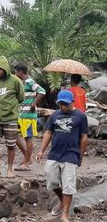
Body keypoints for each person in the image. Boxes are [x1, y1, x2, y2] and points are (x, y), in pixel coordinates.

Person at [36, 90, 88, 222]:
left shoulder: (81, 116)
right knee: (52, 181)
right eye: (61, 104)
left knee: (68, 185)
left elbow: (84, 137)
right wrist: (41, 150)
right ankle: (61, 200)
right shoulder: (55, 115)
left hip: (71, 154)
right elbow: (48, 133)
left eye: (65, 104)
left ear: (72, 102)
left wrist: (80, 156)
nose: (63, 107)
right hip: (54, 153)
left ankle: (65, 213)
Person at [0, 56, 24, 178]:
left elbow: (21, 97)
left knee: (11, 144)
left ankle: (9, 169)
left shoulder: (15, 81)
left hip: (10, 118)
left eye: (0, 69)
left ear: (6, 69)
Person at [14, 64, 46, 171]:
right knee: (14, 135)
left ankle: (27, 162)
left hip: (28, 115)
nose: (15, 74)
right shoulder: (23, 83)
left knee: (28, 138)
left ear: (20, 72)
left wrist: (34, 103)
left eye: (16, 72)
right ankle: (27, 157)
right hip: (22, 114)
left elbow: (42, 91)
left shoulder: (29, 82)